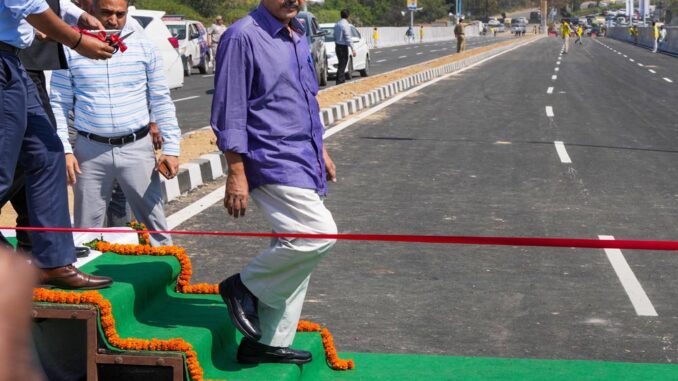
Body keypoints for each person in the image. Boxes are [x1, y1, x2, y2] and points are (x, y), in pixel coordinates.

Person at [210, 0, 339, 365]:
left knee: (294, 248)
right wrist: (236, 172)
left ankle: (266, 341)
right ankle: (242, 286)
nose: (294, 1)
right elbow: (228, 107)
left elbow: (304, 100)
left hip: (302, 156)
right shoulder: (242, 37)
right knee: (318, 234)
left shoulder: (297, 34)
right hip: (270, 156)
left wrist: (321, 150)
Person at [0, 0, 115, 289]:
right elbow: (28, 4)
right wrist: (77, 41)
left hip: (13, 60)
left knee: (49, 152)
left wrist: (77, 16)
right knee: (2, 169)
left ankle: (52, 263)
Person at [50, 0, 181, 246]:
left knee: (157, 230)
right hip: (90, 152)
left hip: (137, 149)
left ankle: (169, 281)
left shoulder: (143, 46)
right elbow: (58, 103)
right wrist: (65, 150)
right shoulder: (70, 48)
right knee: (85, 233)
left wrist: (172, 148)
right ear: (91, 11)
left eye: (120, 14)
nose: (113, 20)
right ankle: (90, 285)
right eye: (106, 13)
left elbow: (161, 100)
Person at [334, 9, 356, 85]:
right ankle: (340, 81)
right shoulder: (345, 24)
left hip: (337, 46)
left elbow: (335, 35)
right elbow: (347, 37)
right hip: (343, 47)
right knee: (343, 63)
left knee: (341, 63)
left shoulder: (337, 24)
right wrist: (353, 48)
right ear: (348, 16)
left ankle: (340, 79)